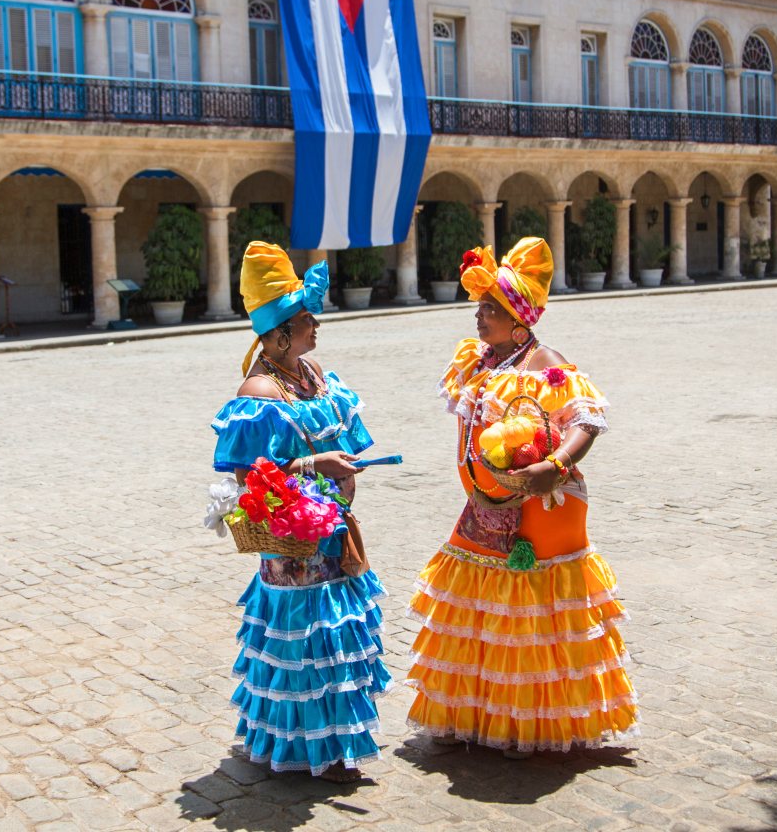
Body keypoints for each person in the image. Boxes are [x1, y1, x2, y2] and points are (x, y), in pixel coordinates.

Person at [405, 237, 637, 757]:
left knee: (530, 610)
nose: (479, 317)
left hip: (542, 506)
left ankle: (527, 722)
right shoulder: (481, 361)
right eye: (480, 307)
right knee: (479, 602)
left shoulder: (545, 362)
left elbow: (585, 421)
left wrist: (554, 466)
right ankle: (471, 710)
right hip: (487, 505)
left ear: (519, 320)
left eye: (491, 309)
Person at [209, 242, 391, 782]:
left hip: (333, 534)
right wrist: (314, 462)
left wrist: (341, 468)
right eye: (308, 320)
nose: (318, 329)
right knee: (305, 647)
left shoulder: (312, 377)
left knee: (335, 642)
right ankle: (308, 748)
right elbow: (251, 481)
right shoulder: (260, 391)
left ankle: (331, 744)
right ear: (282, 331)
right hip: (294, 546)